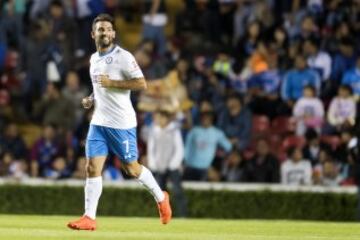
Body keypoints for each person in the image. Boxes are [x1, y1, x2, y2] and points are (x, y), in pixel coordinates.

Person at [67, 14, 171, 231]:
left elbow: (141, 84)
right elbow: (99, 88)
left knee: (131, 169)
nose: (104, 32)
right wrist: (91, 99)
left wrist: (112, 82)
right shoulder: (93, 59)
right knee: (91, 167)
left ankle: (161, 197)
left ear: (113, 33)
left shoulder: (124, 57)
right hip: (98, 122)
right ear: (93, 34)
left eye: (107, 29)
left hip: (121, 124)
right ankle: (89, 218)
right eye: (100, 29)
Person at [147, 110, 187, 217]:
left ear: (166, 118)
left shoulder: (174, 130)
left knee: (177, 192)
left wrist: (173, 164)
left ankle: (183, 215)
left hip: (173, 167)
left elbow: (179, 149)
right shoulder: (154, 131)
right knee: (160, 195)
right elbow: (151, 149)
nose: (158, 120)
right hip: (160, 167)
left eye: (160, 117)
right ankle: (163, 215)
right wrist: (153, 164)